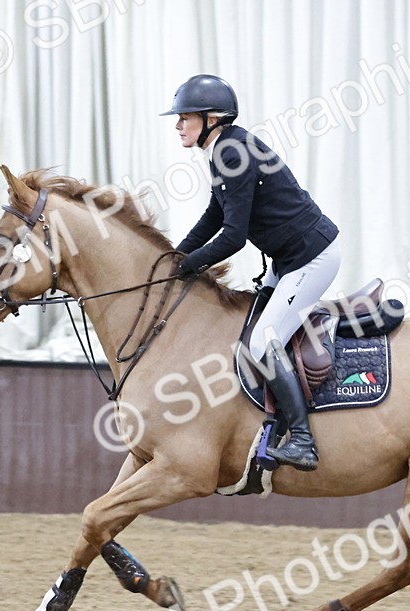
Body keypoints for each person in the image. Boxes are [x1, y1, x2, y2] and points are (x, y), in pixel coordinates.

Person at [161, 74, 340, 472]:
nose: (177, 126)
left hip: (311, 259)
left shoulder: (231, 151)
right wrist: (176, 255)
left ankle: (303, 441)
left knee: (262, 342)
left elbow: (234, 237)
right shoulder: (224, 148)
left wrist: (189, 265)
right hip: (291, 260)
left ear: (211, 118)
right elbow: (214, 215)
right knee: (251, 332)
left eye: (184, 117)